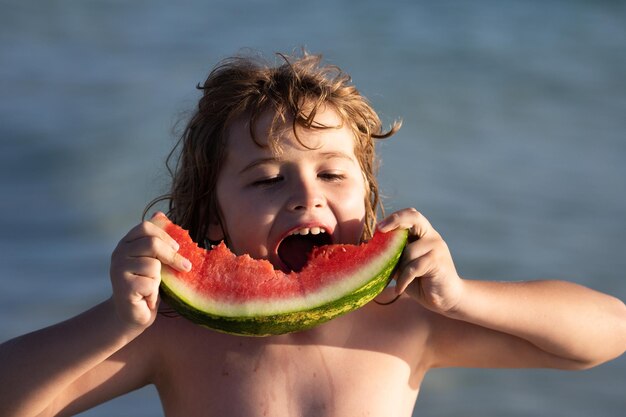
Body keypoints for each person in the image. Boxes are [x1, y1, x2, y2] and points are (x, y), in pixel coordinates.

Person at [1, 51, 625, 417]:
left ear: (367, 196)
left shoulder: (405, 317)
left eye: (332, 173)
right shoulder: (177, 332)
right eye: (267, 180)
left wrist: (463, 297)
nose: (307, 195)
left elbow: (607, 334)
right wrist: (116, 321)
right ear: (212, 219)